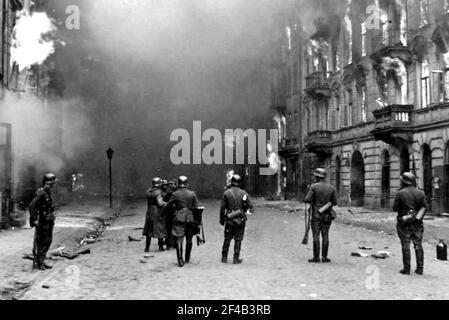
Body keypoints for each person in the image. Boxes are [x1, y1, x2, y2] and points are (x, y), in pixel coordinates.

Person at [393, 172, 428, 275]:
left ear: (404, 182)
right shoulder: (421, 193)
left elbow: (395, 208)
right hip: (417, 222)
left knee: (405, 244)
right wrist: (416, 217)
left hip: (404, 223)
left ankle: (407, 269)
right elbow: (425, 207)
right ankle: (420, 268)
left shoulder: (401, 193)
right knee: (418, 245)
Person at [304, 168, 337, 263]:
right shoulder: (331, 187)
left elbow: (307, 199)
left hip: (316, 215)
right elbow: (334, 202)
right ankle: (324, 257)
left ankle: (316, 257)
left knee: (316, 235)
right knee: (325, 235)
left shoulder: (314, 186)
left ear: (317, 176)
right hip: (327, 214)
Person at [165, 176, 200, 267]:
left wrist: (168, 212)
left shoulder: (175, 194)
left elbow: (168, 205)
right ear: (187, 184)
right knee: (189, 239)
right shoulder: (192, 194)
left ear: (178, 184)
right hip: (190, 218)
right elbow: (196, 206)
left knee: (179, 239)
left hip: (179, 218)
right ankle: (187, 258)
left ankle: (180, 260)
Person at [219, 174, 253, 264]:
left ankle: (224, 257)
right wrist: (246, 211)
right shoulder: (244, 193)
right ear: (240, 183)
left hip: (229, 218)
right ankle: (235, 258)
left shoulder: (226, 193)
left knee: (227, 238)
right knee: (238, 239)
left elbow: (222, 208)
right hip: (240, 219)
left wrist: (222, 220)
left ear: (231, 182)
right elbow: (251, 207)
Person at [29, 173, 57, 270]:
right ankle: (39, 262)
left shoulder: (47, 192)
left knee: (48, 240)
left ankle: (42, 260)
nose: (53, 184)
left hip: (48, 220)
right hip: (43, 220)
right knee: (42, 241)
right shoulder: (41, 193)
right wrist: (34, 219)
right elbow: (32, 206)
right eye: (52, 182)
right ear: (47, 182)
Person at [142, 177, 167, 252]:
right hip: (157, 211)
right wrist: (167, 203)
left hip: (149, 211)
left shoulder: (148, 191)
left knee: (149, 229)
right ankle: (161, 247)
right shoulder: (158, 192)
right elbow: (160, 203)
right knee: (160, 228)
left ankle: (147, 248)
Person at [162, 179, 177, 250]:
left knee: (172, 229)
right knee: (169, 229)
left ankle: (172, 244)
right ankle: (171, 245)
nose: (170, 185)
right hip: (170, 213)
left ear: (176, 185)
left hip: (174, 212)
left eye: (172, 184)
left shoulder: (173, 193)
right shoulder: (169, 193)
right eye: (170, 184)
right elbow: (164, 202)